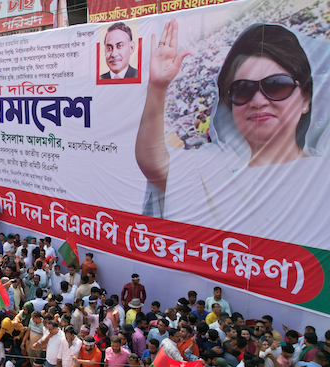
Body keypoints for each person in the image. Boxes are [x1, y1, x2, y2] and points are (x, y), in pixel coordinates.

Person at [136, 20, 319, 246]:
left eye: (276, 85)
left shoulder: (322, 175)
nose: (258, 101)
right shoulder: (213, 167)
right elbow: (154, 164)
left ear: (306, 100)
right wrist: (157, 87)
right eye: (243, 90)